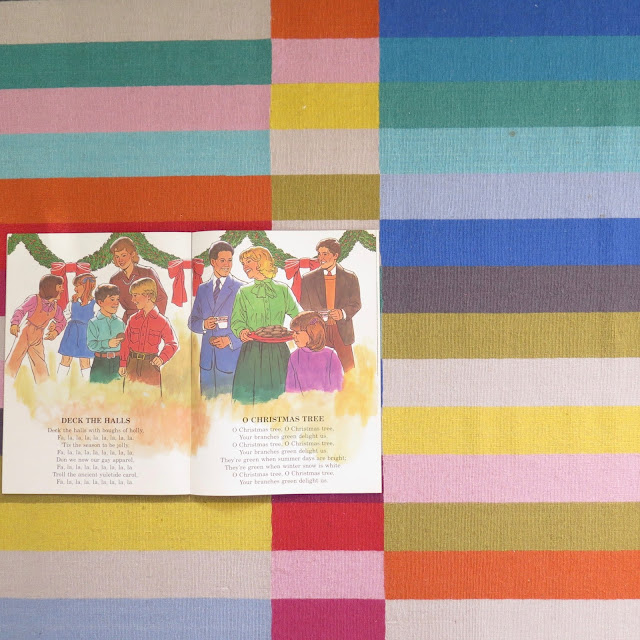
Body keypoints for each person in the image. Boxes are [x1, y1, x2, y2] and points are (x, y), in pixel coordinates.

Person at [230, 246, 299, 404]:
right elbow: (237, 320)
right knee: (248, 399)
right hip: (252, 351)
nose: (245, 266)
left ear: (261, 262)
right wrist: (241, 331)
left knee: (280, 396)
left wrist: (298, 330)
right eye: (243, 263)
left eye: (249, 261)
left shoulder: (283, 290)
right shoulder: (244, 292)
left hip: (278, 351)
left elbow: (297, 316)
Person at [188, 241, 244, 398]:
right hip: (207, 362)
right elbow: (192, 321)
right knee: (206, 404)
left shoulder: (241, 288)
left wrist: (229, 340)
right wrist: (204, 324)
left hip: (230, 361)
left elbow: (250, 326)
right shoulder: (202, 289)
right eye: (222, 260)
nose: (227, 265)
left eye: (229, 260)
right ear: (213, 262)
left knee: (227, 406)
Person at [300, 238, 361, 371]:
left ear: (335, 255)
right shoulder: (308, 279)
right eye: (319, 254)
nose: (320, 258)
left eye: (325, 254)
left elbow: (356, 303)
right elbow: (304, 304)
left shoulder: (350, 277)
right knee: (318, 369)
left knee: (349, 370)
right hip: (318, 330)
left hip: (342, 331)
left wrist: (342, 313)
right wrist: (318, 315)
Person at [118, 278, 178, 392]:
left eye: (135, 295)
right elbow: (125, 343)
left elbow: (172, 343)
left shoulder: (162, 321)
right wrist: (122, 363)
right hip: (131, 365)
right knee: (129, 398)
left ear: (148, 296)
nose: (133, 300)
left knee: (151, 399)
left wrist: (162, 358)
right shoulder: (133, 319)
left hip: (150, 367)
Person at [7, 274, 67, 383]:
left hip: (38, 336)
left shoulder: (55, 307)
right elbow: (20, 310)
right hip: (25, 333)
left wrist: (55, 331)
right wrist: (15, 323)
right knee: (13, 360)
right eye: (59, 286)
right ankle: (6, 383)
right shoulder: (34, 299)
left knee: (40, 364)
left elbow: (62, 321)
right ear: (50, 287)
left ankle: (44, 387)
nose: (62, 289)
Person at [108, 236, 168, 324]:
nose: (120, 260)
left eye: (123, 255)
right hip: (128, 322)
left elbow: (162, 298)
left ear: (132, 254)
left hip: (149, 319)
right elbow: (110, 304)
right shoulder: (114, 280)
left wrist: (156, 321)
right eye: (117, 256)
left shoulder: (147, 272)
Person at [285, 311, 343, 393]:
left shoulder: (330, 356)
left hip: (326, 400)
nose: (293, 335)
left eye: (297, 333)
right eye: (293, 332)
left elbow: (336, 387)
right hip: (299, 400)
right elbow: (290, 388)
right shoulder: (294, 356)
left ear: (311, 333)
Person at [58, 273, 97, 378]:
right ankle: (59, 382)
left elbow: (98, 321)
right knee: (65, 359)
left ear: (86, 287)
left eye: (77, 286)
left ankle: (87, 384)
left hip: (86, 335)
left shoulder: (95, 303)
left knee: (85, 361)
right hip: (71, 333)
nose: (75, 289)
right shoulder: (73, 302)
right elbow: (64, 316)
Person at [87, 284, 126, 384]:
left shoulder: (120, 323)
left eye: (117, 299)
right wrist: (107, 343)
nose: (116, 303)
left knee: (117, 391)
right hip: (100, 363)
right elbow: (91, 344)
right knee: (97, 391)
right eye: (112, 299)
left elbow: (125, 345)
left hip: (118, 363)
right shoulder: (93, 322)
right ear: (100, 302)